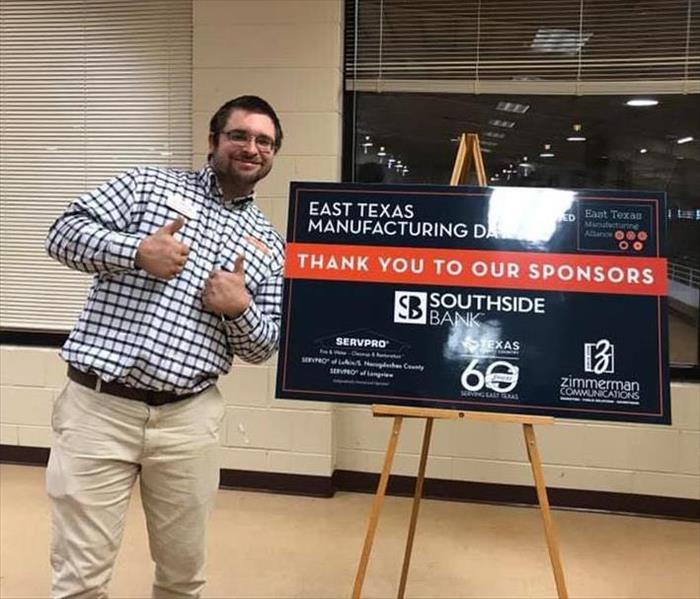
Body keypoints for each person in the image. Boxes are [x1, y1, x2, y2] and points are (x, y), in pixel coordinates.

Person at [45, 95, 285, 598]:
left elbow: (265, 347)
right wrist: (134, 251)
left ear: (273, 154)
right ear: (214, 140)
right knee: (80, 579)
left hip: (187, 420)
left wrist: (238, 308)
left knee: (183, 577)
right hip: (99, 408)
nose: (251, 148)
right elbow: (62, 233)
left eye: (264, 141)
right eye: (239, 135)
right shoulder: (149, 185)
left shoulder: (269, 244)